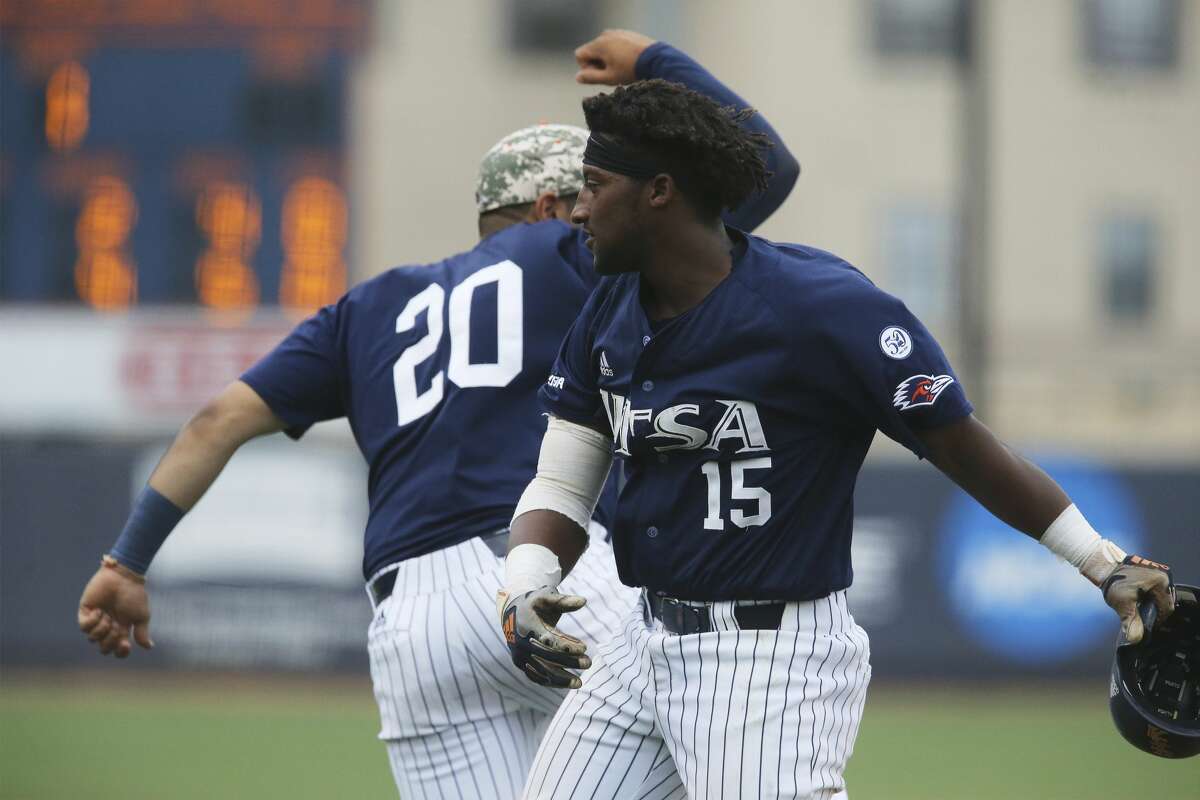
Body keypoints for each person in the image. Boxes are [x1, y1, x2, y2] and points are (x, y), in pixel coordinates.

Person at [75, 30, 799, 800]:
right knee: (729, 754)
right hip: (552, 577)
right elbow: (764, 172)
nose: (598, 205)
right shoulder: (570, 253)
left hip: (413, 625)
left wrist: (126, 563)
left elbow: (217, 420)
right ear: (552, 207)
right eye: (587, 192)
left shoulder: (368, 307)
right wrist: (658, 64)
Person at [497, 79, 1177, 799]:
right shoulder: (609, 306)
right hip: (639, 641)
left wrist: (1102, 563)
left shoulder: (820, 308)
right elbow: (566, 482)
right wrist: (526, 584)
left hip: (765, 659)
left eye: (595, 186)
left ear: (659, 191)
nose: (577, 209)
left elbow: (964, 449)